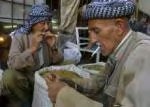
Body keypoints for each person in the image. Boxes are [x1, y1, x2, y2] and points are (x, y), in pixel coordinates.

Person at [45, 0, 150, 107]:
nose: (92, 40)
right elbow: (97, 84)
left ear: (119, 27)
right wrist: (68, 82)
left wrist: (63, 94)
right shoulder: (117, 51)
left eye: (96, 31)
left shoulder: (143, 54)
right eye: (90, 32)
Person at [2, 4, 63, 107]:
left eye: (48, 23)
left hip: (44, 76)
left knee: (69, 64)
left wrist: (53, 47)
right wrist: (32, 49)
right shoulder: (19, 37)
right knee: (9, 76)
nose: (46, 27)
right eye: (43, 23)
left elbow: (59, 61)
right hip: (27, 78)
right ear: (33, 23)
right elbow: (12, 63)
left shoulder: (48, 36)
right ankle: (28, 102)